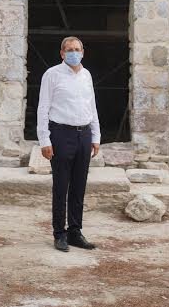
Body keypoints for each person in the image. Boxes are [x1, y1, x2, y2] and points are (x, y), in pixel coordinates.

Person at [37, 36, 101, 252]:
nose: (74, 52)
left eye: (77, 49)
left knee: (79, 186)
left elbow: (91, 106)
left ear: (83, 52)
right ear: (62, 53)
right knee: (61, 185)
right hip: (61, 134)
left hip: (83, 134)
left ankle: (75, 231)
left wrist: (96, 136)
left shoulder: (86, 75)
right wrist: (44, 140)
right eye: (69, 49)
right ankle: (59, 233)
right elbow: (43, 108)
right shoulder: (52, 75)